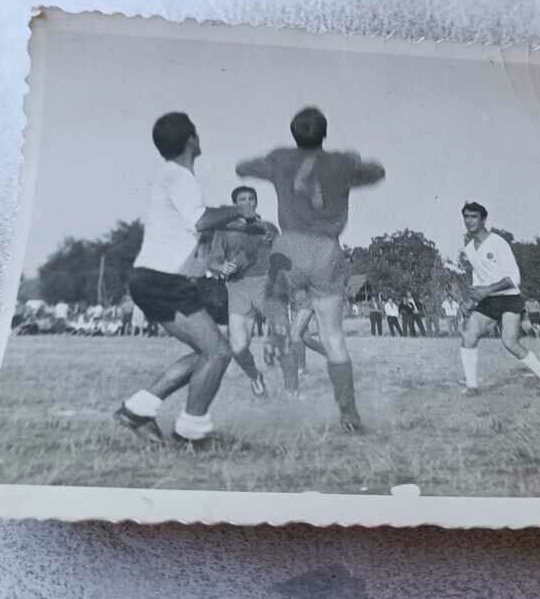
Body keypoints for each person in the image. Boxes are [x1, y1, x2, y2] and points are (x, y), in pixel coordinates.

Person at [236, 106, 385, 432]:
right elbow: (377, 172)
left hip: (288, 245)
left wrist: (272, 165)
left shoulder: (280, 158)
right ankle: (348, 414)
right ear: (325, 132)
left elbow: (242, 167)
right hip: (326, 249)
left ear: (293, 133)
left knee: (275, 299)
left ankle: (276, 337)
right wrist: (353, 162)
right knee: (333, 337)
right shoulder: (341, 163)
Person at [113, 112, 258, 444]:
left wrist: (242, 224)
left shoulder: (169, 175)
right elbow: (200, 221)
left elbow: (192, 222)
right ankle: (191, 433)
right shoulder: (180, 176)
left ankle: (138, 409)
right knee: (219, 353)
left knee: (205, 353)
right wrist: (239, 210)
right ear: (191, 139)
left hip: (150, 279)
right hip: (164, 280)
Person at [456, 202, 540, 397]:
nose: (469, 221)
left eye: (474, 217)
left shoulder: (497, 242)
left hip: (509, 298)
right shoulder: (470, 248)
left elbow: (514, 279)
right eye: (466, 217)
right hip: (489, 300)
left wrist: (486, 289)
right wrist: (471, 301)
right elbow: (479, 279)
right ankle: (472, 387)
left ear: (483, 219)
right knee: (468, 336)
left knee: (509, 342)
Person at [206, 185, 281, 398]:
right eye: (242, 199)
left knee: (279, 326)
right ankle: (256, 377)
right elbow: (213, 260)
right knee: (238, 348)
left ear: (256, 202)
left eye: (251, 199)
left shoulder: (268, 227)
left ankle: (272, 348)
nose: (247, 203)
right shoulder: (224, 229)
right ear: (234, 205)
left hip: (266, 284)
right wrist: (222, 267)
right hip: (238, 288)